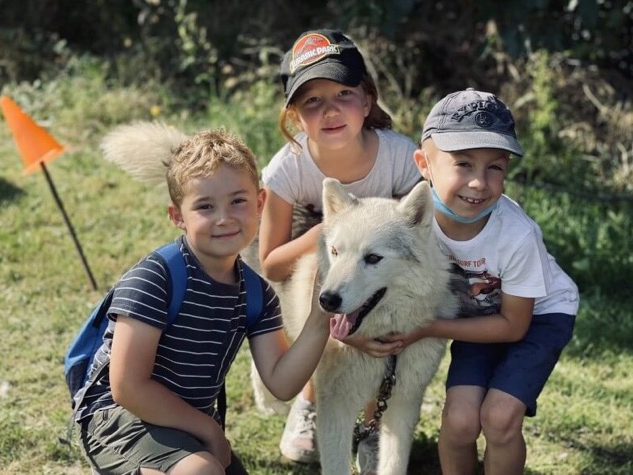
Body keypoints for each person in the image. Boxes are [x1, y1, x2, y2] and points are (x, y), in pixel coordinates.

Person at [346, 88, 579, 475]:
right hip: (476, 320)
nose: (478, 183)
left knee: (500, 418)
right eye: (464, 164)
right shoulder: (407, 222)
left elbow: (513, 325)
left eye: (495, 168)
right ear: (424, 163)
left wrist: (426, 328)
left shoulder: (516, 235)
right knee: (459, 423)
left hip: (538, 317)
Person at [75, 129, 331, 475]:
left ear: (259, 203)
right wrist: (209, 429)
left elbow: (282, 383)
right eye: (205, 206)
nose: (224, 217)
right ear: (177, 216)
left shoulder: (256, 294)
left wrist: (320, 319)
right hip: (119, 419)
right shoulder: (155, 278)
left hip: (185, 424)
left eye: (237, 201)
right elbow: (127, 387)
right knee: (201, 471)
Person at [259, 28, 422, 471]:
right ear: (294, 115)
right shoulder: (286, 169)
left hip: (376, 262)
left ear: (366, 101)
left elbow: (418, 234)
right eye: (312, 101)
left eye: (343, 94)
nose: (330, 110)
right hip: (316, 254)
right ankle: (313, 398)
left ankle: (375, 420)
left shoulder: (398, 156)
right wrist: (327, 232)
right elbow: (271, 263)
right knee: (321, 277)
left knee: (391, 299)